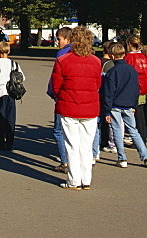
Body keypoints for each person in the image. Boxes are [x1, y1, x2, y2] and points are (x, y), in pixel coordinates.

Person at [49, 26, 102, 190]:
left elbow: (56, 86)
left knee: (72, 145)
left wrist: (62, 96)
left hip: (69, 106)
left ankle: (73, 180)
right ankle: (86, 180)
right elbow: (97, 84)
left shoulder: (63, 60)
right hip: (90, 107)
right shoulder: (96, 61)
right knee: (86, 146)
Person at [100, 43, 147, 169]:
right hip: (129, 104)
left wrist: (106, 111)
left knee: (118, 131)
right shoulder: (132, 70)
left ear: (112, 56)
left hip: (115, 105)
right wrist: (134, 104)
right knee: (134, 131)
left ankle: (122, 158)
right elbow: (136, 89)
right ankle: (145, 157)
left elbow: (108, 93)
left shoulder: (112, 72)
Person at [0, 39, 24, 151]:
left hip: (0, 94)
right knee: (10, 119)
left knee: (0, 119)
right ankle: (10, 142)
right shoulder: (14, 64)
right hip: (12, 94)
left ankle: (0, 143)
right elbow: (22, 77)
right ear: (8, 52)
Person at [47, 25, 72, 173]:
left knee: (58, 130)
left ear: (67, 39)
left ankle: (65, 161)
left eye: (59, 39)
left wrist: (52, 92)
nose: (58, 42)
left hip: (63, 95)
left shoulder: (62, 54)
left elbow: (56, 76)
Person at [124, 35, 147, 141]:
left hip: (134, 87)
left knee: (136, 114)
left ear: (129, 45)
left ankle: (139, 138)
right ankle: (141, 136)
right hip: (144, 86)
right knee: (141, 113)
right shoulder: (144, 56)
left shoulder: (129, 57)